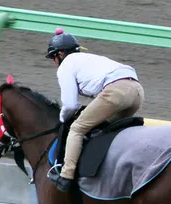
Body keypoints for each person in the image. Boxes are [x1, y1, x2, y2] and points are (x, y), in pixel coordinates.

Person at [44, 28, 145, 192]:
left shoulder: (66, 66)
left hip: (116, 92)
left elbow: (70, 105)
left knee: (77, 129)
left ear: (61, 54)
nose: (54, 62)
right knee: (103, 129)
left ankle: (66, 177)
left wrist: (62, 120)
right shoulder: (88, 58)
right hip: (138, 92)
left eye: (54, 57)